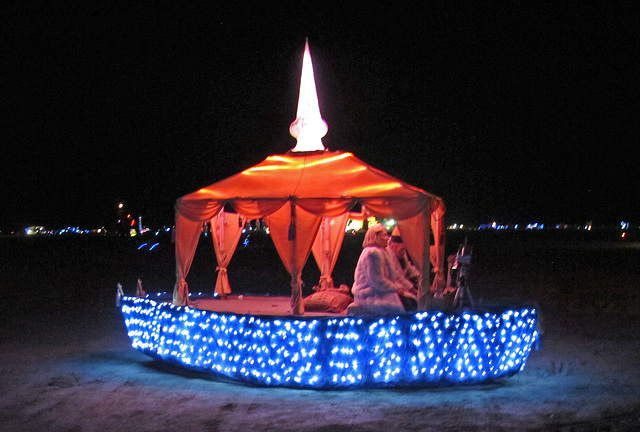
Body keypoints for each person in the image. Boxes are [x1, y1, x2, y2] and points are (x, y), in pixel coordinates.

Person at [349, 224, 412, 315]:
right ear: (376, 236)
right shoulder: (372, 253)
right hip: (370, 294)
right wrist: (396, 289)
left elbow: (395, 275)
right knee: (404, 307)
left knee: (410, 301)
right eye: (385, 235)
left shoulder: (384, 251)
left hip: (380, 291)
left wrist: (408, 287)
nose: (388, 238)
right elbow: (377, 281)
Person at [388, 226, 421, 311]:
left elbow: (408, 268)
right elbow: (396, 276)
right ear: (392, 246)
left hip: (403, 286)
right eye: (402, 249)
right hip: (393, 288)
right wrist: (412, 289)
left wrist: (420, 276)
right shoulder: (388, 255)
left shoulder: (402, 253)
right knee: (410, 302)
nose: (403, 252)